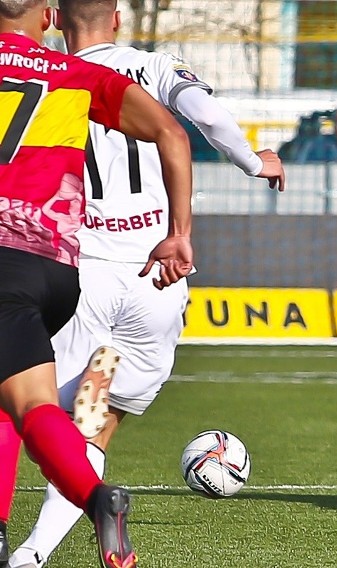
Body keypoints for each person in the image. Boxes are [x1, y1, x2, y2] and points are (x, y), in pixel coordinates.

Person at [7, 1, 285, 567]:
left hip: (81, 268)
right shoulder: (153, 69)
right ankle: (35, 552)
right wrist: (256, 164)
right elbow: (202, 120)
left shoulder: (47, 75)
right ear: (115, 17)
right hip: (154, 275)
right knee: (95, 418)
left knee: (24, 398)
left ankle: (33, 545)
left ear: (56, 18)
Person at [0, 0, 195, 566]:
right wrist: (181, 232)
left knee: (34, 408)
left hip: (52, 265)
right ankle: (29, 546)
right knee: (69, 408)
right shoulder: (89, 74)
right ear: (46, 18)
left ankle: (83, 503)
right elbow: (179, 132)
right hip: (80, 271)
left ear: (62, 19)